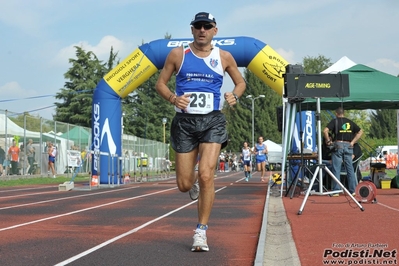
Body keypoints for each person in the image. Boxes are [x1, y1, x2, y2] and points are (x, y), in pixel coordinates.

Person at [155, 12, 246, 252]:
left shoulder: (224, 57)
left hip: (212, 122)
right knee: (184, 184)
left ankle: (201, 232)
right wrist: (174, 98)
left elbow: (241, 82)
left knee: (207, 174)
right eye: (198, 26)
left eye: (207, 26)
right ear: (192, 30)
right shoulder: (178, 54)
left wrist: (234, 95)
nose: (202, 30)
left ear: (215, 30)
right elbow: (160, 84)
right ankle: (191, 182)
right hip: (185, 123)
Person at [323, 107, 363, 196]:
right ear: (343, 113)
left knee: (336, 168)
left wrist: (329, 141)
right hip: (349, 145)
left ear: (336, 113)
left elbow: (325, 131)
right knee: (350, 168)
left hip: (338, 145)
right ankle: (353, 190)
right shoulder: (350, 122)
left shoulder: (335, 121)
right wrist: (353, 142)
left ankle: (336, 190)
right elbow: (360, 131)